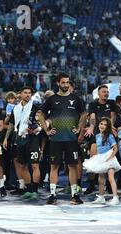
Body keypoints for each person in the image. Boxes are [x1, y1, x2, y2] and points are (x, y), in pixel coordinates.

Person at [37, 73, 87, 205]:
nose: (66, 85)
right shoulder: (52, 99)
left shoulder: (76, 99)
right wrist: (46, 130)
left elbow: (83, 114)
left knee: (73, 166)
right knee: (54, 166)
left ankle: (74, 195)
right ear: (58, 83)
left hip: (71, 139)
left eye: (67, 82)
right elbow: (41, 114)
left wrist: (79, 129)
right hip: (55, 139)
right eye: (63, 82)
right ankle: (52, 195)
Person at [3, 86, 41, 201]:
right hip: (20, 138)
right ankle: (28, 190)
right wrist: (6, 138)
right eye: (25, 92)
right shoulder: (16, 108)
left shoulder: (36, 106)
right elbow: (11, 124)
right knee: (23, 165)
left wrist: (38, 128)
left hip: (32, 138)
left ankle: (35, 190)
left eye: (30, 93)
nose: (28, 95)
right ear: (20, 94)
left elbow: (42, 119)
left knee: (35, 165)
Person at [84, 117, 121, 206]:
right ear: (98, 125)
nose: (103, 126)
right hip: (101, 158)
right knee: (101, 179)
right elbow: (98, 148)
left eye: (105, 125)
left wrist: (110, 158)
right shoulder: (96, 136)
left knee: (111, 178)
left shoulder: (110, 136)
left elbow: (115, 148)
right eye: (101, 124)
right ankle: (101, 197)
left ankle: (115, 197)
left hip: (109, 157)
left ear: (107, 127)